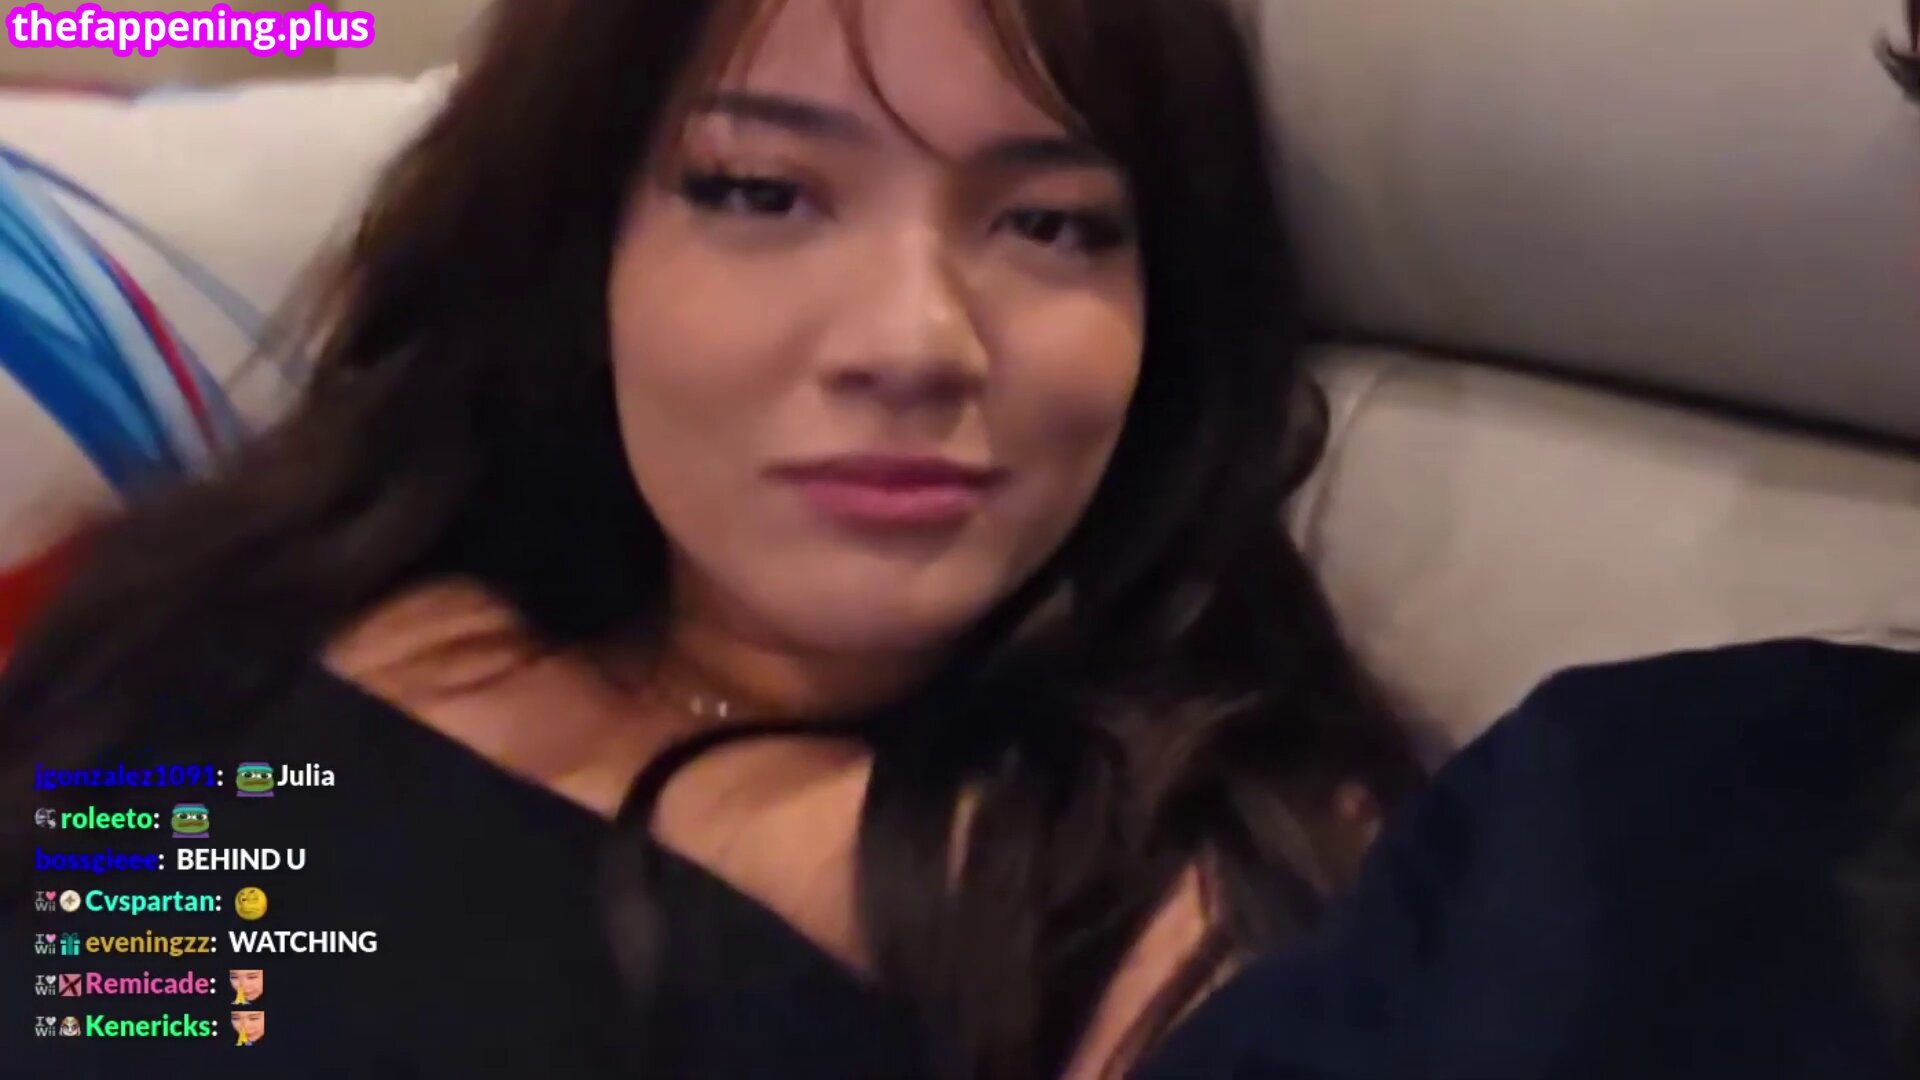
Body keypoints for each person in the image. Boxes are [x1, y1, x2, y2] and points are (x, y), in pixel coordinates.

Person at [0, 0, 1420, 1076]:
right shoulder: (274, 604)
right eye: (762, 193)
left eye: (1050, 223)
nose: (913, 342)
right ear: (580, 250)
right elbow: (112, 983)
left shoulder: (1163, 915)